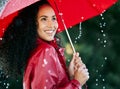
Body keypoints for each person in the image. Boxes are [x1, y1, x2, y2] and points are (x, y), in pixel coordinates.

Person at [0, 0, 89, 89]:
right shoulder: (45, 51)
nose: (51, 25)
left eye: (54, 18)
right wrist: (76, 83)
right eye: (44, 19)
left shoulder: (37, 50)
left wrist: (69, 76)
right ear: (33, 24)